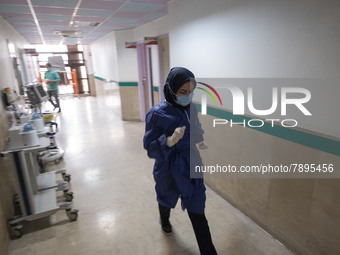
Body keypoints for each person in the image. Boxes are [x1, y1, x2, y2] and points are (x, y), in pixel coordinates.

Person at [143, 67, 217, 255]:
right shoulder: (157, 114)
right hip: (167, 165)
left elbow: (196, 126)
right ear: (171, 89)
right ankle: (165, 219)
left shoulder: (191, 107)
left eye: (190, 92)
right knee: (166, 197)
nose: (187, 96)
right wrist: (169, 141)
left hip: (190, 162)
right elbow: (149, 146)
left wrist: (199, 141)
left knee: (197, 206)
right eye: (182, 92)